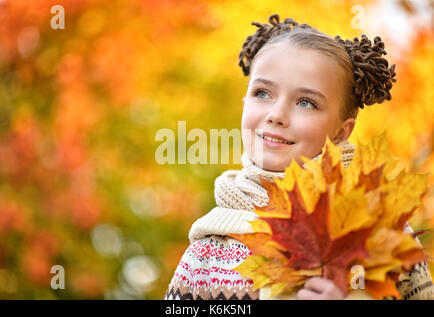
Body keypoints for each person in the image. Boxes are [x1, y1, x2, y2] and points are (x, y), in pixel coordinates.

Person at [164, 14, 434, 300]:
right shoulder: (206, 251)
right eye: (262, 93)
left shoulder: (376, 230)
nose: (276, 115)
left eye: (306, 102)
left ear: (342, 132)